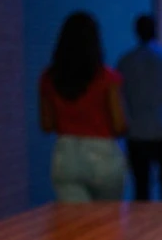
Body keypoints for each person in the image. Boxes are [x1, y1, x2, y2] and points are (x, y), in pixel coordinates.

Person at [39, 12, 127, 202]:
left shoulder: (49, 78)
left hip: (66, 154)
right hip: (103, 154)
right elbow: (119, 125)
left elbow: (47, 125)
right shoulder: (107, 77)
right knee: (107, 225)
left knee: (76, 226)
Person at [116, 15, 162, 201]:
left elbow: (120, 97)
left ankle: (142, 227)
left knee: (141, 189)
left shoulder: (125, 61)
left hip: (136, 131)